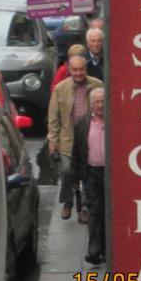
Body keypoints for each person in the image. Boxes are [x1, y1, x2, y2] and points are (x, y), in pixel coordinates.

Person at [47, 55, 102, 223]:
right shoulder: (60, 89)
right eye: (75, 70)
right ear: (69, 70)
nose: (78, 73)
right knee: (67, 171)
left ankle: (84, 207)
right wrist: (52, 140)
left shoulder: (97, 85)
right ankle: (68, 201)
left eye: (81, 69)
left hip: (89, 138)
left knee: (86, 173)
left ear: (86, 69)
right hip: (67, 140)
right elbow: (53, 116)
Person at [72, 86, 106, 265]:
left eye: (103, 101)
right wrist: (76, 177)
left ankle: (107, 249)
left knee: (108, 211)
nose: (100, 105)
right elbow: (77, 150)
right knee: (95, 210)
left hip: (110, 175)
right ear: (91, 104)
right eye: (97, 102)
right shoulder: (82, 123)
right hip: (91, 173)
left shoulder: (115, 121)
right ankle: (94, 250)